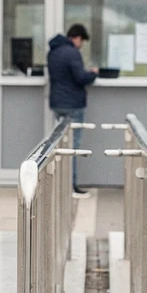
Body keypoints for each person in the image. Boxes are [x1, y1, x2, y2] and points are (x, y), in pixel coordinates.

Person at [47, 23, 97, 195]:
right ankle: (70, 186)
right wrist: (93, 73)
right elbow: (81, 77)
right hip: (73, 105)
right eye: (81, 41)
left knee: (60, 145)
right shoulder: (72, 53)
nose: (81, 45)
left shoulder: (53, 52)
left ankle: (59, 184)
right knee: (73, 147)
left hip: (57, 103)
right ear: (77, 38)